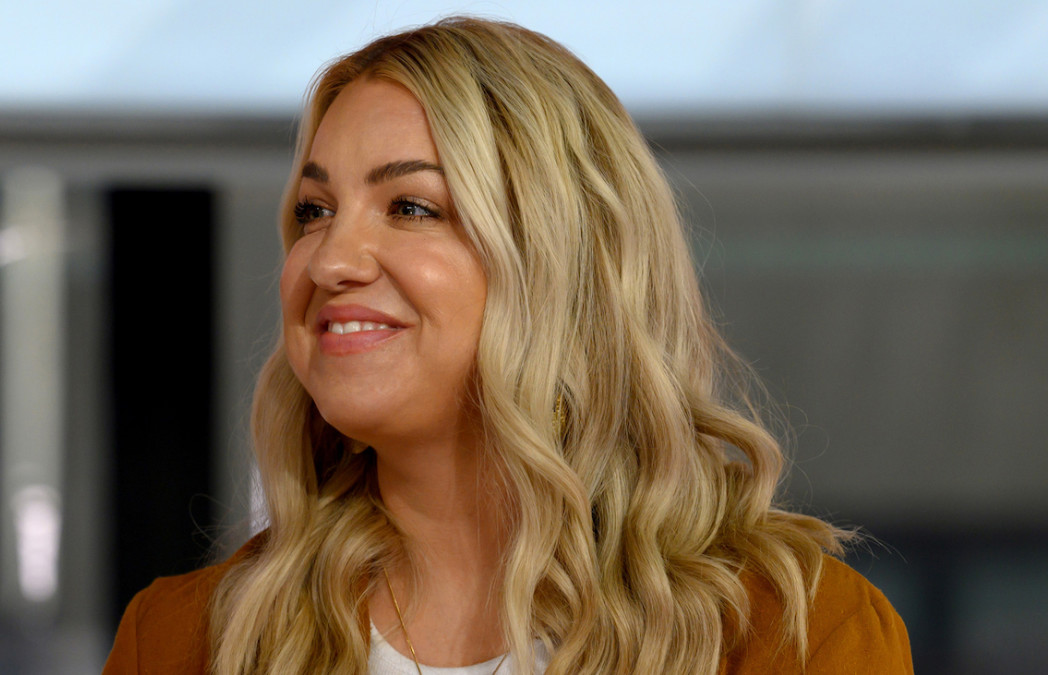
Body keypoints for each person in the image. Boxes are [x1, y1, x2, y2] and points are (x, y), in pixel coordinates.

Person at [104, 16, 913, 675]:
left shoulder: (795, 636)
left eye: (411, 206)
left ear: (560, 259)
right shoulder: (186, 643)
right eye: (315, 211)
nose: (329, 260)